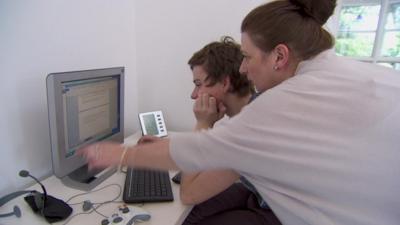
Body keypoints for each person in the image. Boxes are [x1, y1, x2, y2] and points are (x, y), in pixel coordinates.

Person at [80, 1, 400, 225]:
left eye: (248, 57)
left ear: (279, 56)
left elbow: (194, 183)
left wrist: (115, 153)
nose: (245, 67)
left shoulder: (273, 108)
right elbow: (217, 147)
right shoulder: (347, 76)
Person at [180, 37, 280, 225]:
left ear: (225, 83)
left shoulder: (252, 126)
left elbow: (189, 194)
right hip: (256, 193)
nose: (193, 95)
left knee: (188, 214)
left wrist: (203, 124)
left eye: (198, 83)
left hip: (279, 214)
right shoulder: (256, 106)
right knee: (188, 214)